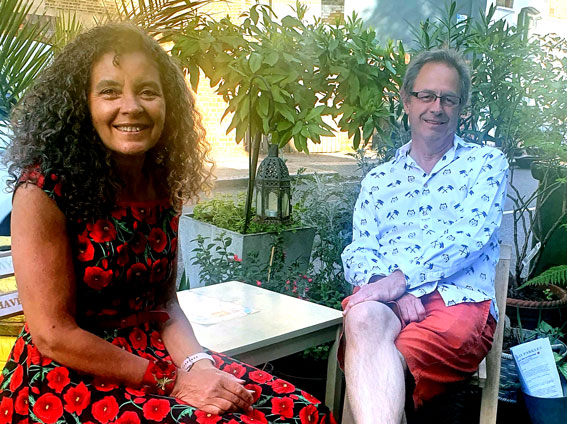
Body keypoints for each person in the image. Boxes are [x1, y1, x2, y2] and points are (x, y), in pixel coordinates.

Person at [0, 23, 335, 424]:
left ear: (167, 104)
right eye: (109, 91)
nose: (132, 106)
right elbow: (53, 334)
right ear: (81, 104)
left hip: (153, 357)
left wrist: (198, 365)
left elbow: (165, 304)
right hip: (69, 374)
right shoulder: (43, 190)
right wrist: (173, 381)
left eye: (147, 91)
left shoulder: (160, 183)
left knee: (303, 411)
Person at [340, 49, 509, 423]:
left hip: (457, 304)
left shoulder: (486, 164)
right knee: (364, 320)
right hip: (389, 301)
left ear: (461, 107)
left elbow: (471, 235)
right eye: (426, 96)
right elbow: (360, 248)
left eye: (448, 99)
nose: (437, 107)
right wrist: (383, 287)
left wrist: (401, 283)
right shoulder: (379, 179)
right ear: (406, 100)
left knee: (375, 361)